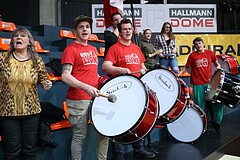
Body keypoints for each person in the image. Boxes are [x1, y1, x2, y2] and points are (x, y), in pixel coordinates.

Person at [102, 18, 156, 160]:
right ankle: (119, 152)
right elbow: (105, 66)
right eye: (124, 29)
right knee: (120, 120)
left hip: (136, 90)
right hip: (121, 90)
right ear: (120, 32)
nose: (127, 31)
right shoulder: (115, 48)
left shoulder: (136, 48)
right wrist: (120, 69)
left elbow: (141, 66)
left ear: (133, 31)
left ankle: (139, 149)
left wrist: (144, 70)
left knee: (137, 120)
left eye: (129, 29)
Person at [0, 27, 52, 160]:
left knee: (29, 151)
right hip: (8, 112)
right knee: (11, 153)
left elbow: (44, 79)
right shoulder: (3, 59)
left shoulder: (37, 60)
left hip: (31, 112)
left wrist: (46, 84)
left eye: (22, 35)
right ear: (12, 41)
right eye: (15, 36)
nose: (18, 37)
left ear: (29, 41)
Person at [61, 15, 109, 160]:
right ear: (75, 31)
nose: (84, 29)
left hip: (96, 97)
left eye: (87, 27)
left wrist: (102, 80)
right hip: (78, 99)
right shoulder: (70, 49)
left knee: (105, 132)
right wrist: (86, 87)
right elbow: (65, 76)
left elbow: (92, 73)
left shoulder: (93, 49)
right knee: (79, 135)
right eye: (81, 27)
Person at [178, 37, 224, 135]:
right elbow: (186, 67)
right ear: (194, 46)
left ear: (203, 44)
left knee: (216, 104)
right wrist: (178, 74)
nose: (198, 45)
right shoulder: (192, 56)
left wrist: (219, 69)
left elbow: (216, 63)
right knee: (200, 107)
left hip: (210, 84)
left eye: (200, 43)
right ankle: (203, 126)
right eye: (196, 44)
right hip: (198, 84)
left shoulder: (210, 53)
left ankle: (216, 123)